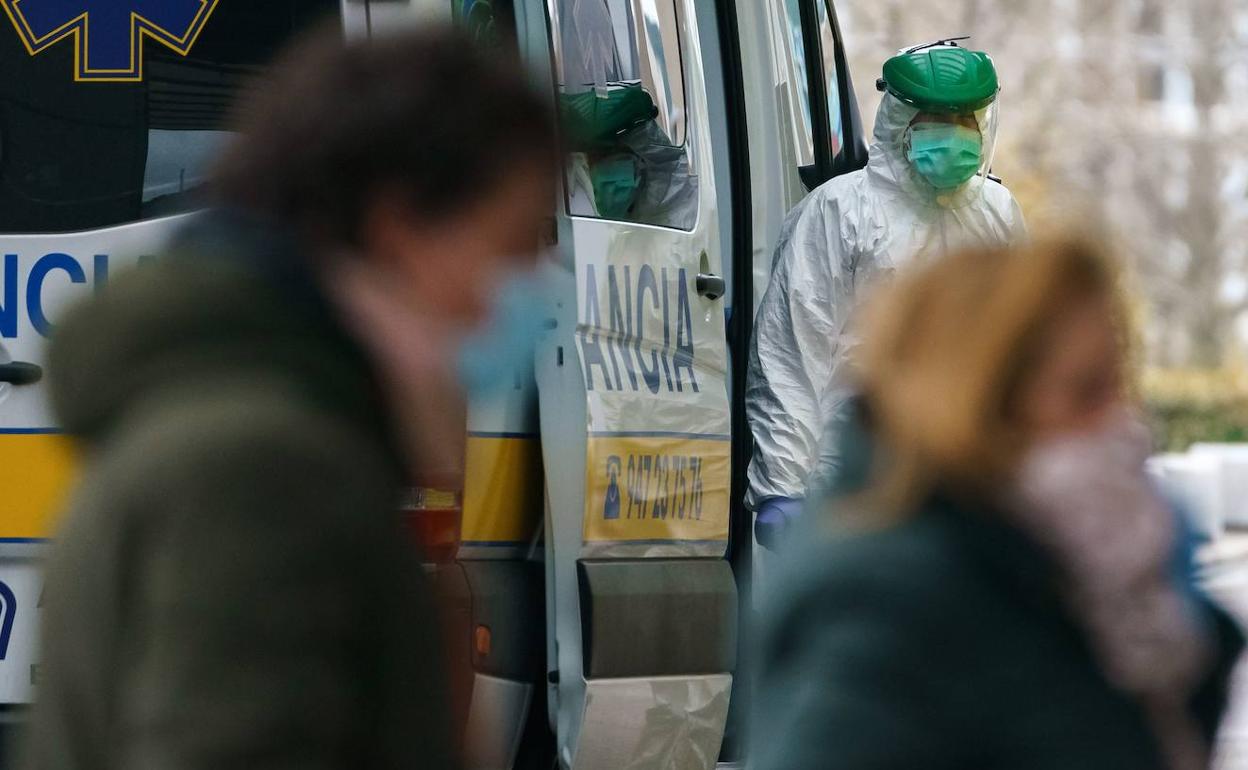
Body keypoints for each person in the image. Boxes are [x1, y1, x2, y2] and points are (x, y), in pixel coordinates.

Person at [18, 26, 555, 770]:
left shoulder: (238, 426)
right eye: (513, 248)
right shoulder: (267, 468)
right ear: (397, 231)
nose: (534, 293)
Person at [750, 239, 1243, 770]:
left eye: (1121, 386)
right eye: (1086, 392)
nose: (1127, 426)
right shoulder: (883, 603)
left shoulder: (1073, 573)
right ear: (980, 404)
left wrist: (1181, 647)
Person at [746, 41, 1028, 548]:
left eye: (966, 119)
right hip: (853, 479)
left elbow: (1019, 347)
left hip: (968, 481)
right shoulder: (838, 211)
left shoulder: (998, 213)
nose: (957, 134)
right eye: (938, 118)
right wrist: (781, 486)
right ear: (900, 118)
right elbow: (792, 352)